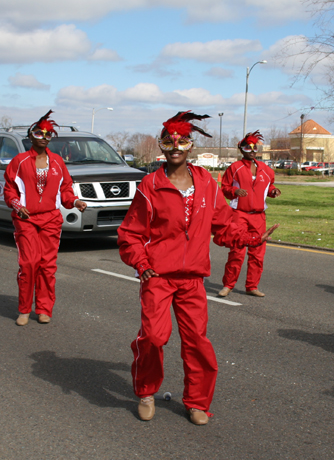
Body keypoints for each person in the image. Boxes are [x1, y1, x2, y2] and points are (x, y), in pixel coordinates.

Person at [118, 111, 278, 425]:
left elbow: (223, 223)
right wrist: (141, 263)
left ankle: (197, 401)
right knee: (152, 337)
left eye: (182, 140)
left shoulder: (205, 182)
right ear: (161, 146)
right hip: (158, 276)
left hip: (192, 277)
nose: (175, 145)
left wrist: (250, 236)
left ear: (191, 145)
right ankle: (147, 391)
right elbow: (130, 233)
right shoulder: (150, 185)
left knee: (197, 342)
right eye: (169, 140)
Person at [3, 111, 87, 326]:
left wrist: (75, 202)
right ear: (31, 136)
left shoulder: (58, 162)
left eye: (48, 133)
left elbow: (66, 189)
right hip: (26, 219)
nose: (43, 137)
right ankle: (24, 309)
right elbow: (9, 190)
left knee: (47, 265)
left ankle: (43, 308)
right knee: (29, 263)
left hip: (51, 219)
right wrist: (17, 205)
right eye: (39, 133)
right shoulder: (19, 162)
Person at [218, 131, 280, 297]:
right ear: (241, 149)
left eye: (254, 147)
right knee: (237, 251)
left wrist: (273, 192)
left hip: (259, 216)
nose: (252, 150)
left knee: (258, 253)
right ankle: (228, 285)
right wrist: (234, 190)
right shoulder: (234, 168)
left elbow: (269, 186)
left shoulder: (266, 170)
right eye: (248, 147)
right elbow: (224, 187)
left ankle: (252, 286)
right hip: (239, 214)